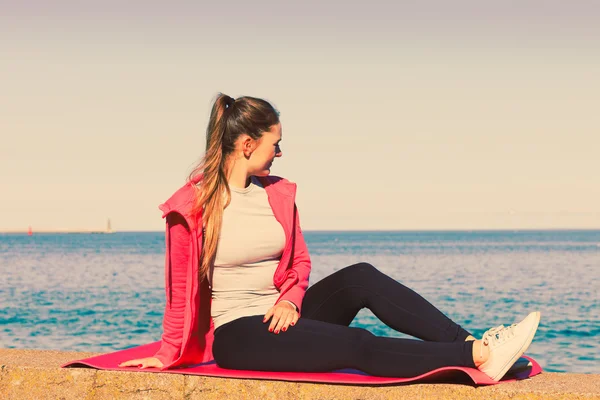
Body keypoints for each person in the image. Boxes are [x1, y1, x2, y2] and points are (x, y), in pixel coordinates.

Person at [119, 94, 540, 381]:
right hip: (239, 333)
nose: (280, 154)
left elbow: (300, 263)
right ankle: (478, 358)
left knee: (360, 276)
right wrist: (166, 353)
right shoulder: (191, 207)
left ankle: (470, 341)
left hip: (287, 316)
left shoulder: (278, 194)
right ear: (247, 144)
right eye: (275, 144)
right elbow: (178, 290)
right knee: (355, 345)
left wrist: (289, 299)